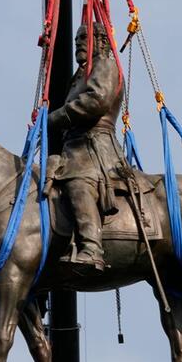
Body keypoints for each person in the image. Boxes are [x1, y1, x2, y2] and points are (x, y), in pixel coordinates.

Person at [48, 22, 125, 272]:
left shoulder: (105, 64)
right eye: (77, 38)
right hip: (74, 146)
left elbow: (96, 100)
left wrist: (55, 118)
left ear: (100, 41)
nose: (78, 42)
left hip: (95, 147)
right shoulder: (79, 76)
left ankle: (92, 249)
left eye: (84, 37)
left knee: (78, 182)